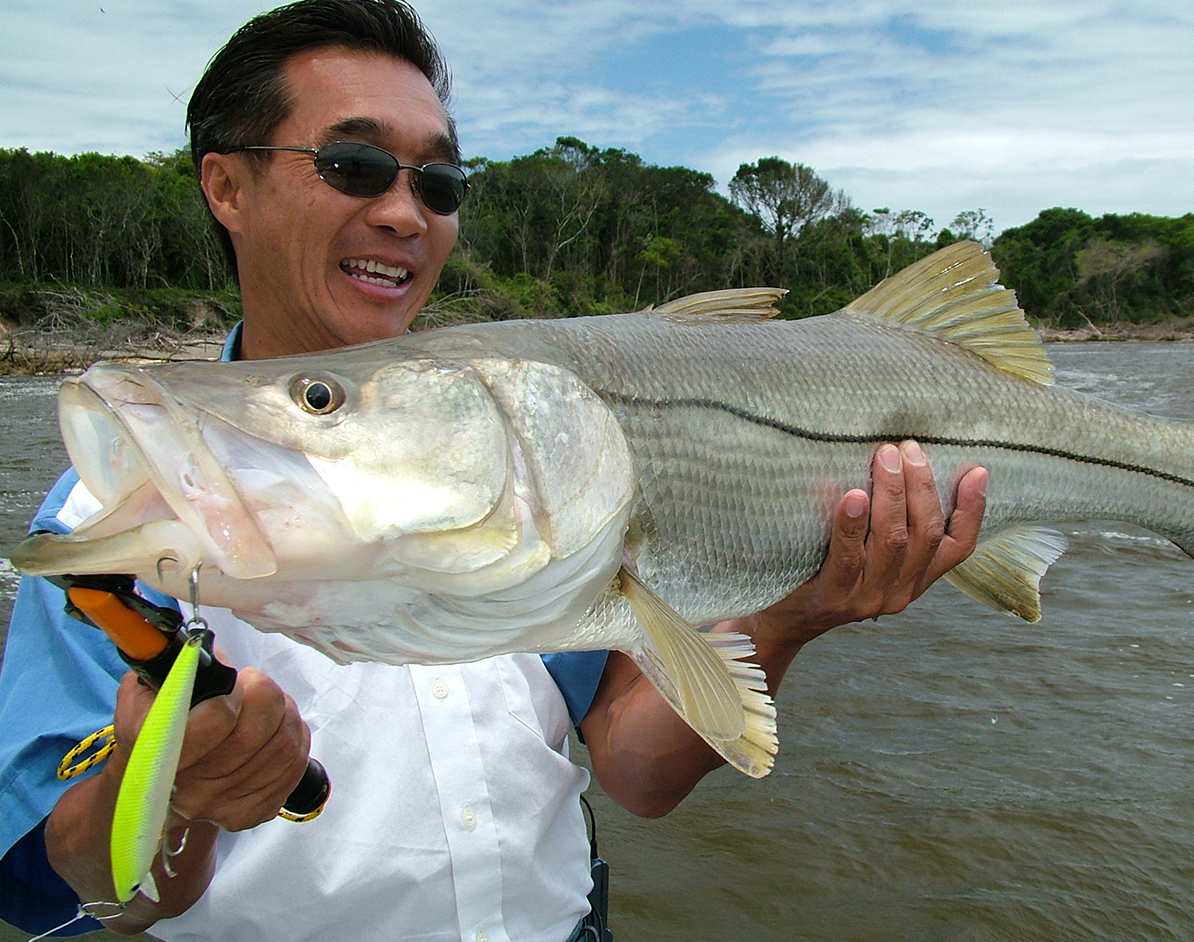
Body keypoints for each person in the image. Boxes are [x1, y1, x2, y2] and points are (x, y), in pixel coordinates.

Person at [0, 2, 988, 940]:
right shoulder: (111, 522)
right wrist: (170, 791)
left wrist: (793, 612)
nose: (403, 213)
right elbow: (93, 891)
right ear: (227, 187)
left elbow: (637, 772)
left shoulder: (537, 454)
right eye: (354, 165)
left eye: (438, 186)